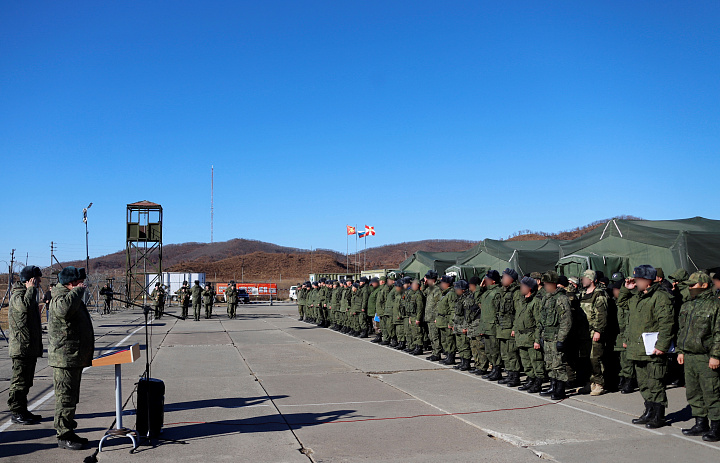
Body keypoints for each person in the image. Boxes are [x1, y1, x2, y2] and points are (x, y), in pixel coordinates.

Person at [619, 265, 674, 429]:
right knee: (643, 383)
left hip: (653, 349)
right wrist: (626, 289)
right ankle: (649, 411)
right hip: (638, 349)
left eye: (637, 280)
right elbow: (622, 303)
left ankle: (658, 415)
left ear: (647, 280)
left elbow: (667, 323)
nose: (635, 283)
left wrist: (662, 345)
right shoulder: (637, 297)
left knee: (655, 383)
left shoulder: (660, 297)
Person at [49, 266, 94, 450]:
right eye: (78, 282)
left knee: (71, 398)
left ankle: (69, 430)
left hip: (72, 357)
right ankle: (63, 435)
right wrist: (77, 292)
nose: (82, 284)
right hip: (64, 359)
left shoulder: (70, 295)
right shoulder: (60, 297)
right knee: (65, 398)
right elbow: (64, 310)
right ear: (70, 283)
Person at [676, 272, 720, 442]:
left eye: (692, 285)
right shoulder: (687, 306)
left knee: (712, 392)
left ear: (704, 285)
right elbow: (682, 330)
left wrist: (716, 355)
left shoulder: (715, 305)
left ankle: (716, 426)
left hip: (706, 356)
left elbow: (718, 333)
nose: (689, 288)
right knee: (694, 392)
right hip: (690, 355)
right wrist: (680, 350)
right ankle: (700, 423)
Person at [7, 265, 44, 425]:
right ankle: (16, 411)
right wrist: (31, 289)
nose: (39, 282)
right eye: (37, 279)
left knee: (27, 381)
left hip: (29, 347)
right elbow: (24, 307)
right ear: (30, 280)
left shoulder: (27, 294)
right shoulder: (18, 295)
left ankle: (22, 409)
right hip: (21, 348)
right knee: (20, 381)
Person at [537, 271, 572, 400]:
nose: (545, 285)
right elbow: (542, 319)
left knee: (558, 364)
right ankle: (553, 385)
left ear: (552, 283)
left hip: (556, 336)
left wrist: (561, 339)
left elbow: (566, 320)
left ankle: (560, 389)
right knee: (550, 363)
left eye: (546, 283)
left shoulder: (561, 298)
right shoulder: (547, 297)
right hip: (547, 336)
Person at [577, 269, 609, 396]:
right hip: (583, 333)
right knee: (586, 360)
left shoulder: (599, 294)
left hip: (594, 332)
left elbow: (602, 315)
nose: (583, 281)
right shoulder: (582, 294)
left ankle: (600, 384)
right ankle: (591, 383)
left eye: (585, 278)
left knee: (595, 359)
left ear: (591, 280)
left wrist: (598, 331)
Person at [514, 276, 545, 393]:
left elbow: (539, 323)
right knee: (526, 362)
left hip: (531, 337)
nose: (521, 288)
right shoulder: (521, 301)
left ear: (529, 288)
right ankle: (530, 379)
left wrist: (537, 340)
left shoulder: (536, 302)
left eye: (523, 286)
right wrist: (514, 330)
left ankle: (538, 382)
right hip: (521, 337)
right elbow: (517, 318)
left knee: (536, 361)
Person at [497, 269, 522, 386]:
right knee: (505, 353)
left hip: (510, 328)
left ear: (511, 279)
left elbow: (519, 312)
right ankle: (509, 374)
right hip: (502, 328)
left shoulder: (516, 293)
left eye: (504, 277)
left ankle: (515, 377)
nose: (502, 279)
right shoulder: (504, 292)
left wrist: (515, 328)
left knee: (512, 353)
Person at [479, 270, 503, 381]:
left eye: (487, 279)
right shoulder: (486, 292)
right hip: (486, 326)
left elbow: (499, 310)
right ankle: (493, 369)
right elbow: (477, 300)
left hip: (493, 326)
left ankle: (497, 370)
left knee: (494, 350)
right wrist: (480, 287)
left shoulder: (497, 292)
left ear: (493, 281)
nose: (486, 281)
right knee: (488, 350)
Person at [451, 280, 476, 371]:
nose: (456, 290)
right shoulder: (459, 298)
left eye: (458, 288)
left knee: (465, 345)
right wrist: (454, 324)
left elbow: (467, 314)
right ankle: (462, 362)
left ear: (463, 290)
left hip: (463, 325)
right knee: (460, 345)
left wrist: (465, 327)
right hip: (458, 325)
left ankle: (466, 363)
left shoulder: (467, 299)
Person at [435, 275, 457, 365]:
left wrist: (451, 322)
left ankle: (451, 357)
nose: (441, 285)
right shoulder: (444, 293)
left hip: (447, 320)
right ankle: (447, 356)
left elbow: (453, 310)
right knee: (444, 340)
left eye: (443, 283)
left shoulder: (451, 294)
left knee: (449, 340)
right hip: (442, 320)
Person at [423, 271, 443, 360]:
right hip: (429, 317)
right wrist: (424, 283)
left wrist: (437, 317)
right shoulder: (431, 288)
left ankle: (437, 353)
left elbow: (439, 304)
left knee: (435, 336)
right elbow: (423, 292)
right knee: (431, 336)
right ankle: (434, 352)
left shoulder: (437, 289)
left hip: (433, 317)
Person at [406, 279, 426, 355]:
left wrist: (418, 318)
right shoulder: (413, 294)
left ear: (417, 285)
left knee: (418, 333)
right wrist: (410, 317)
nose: (412, 286)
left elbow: (420, 308)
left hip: (417, 317)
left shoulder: (419, 295)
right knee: (414, 333)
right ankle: (415, 347)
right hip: (413, 316)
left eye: (413, 285)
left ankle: (419, 348)